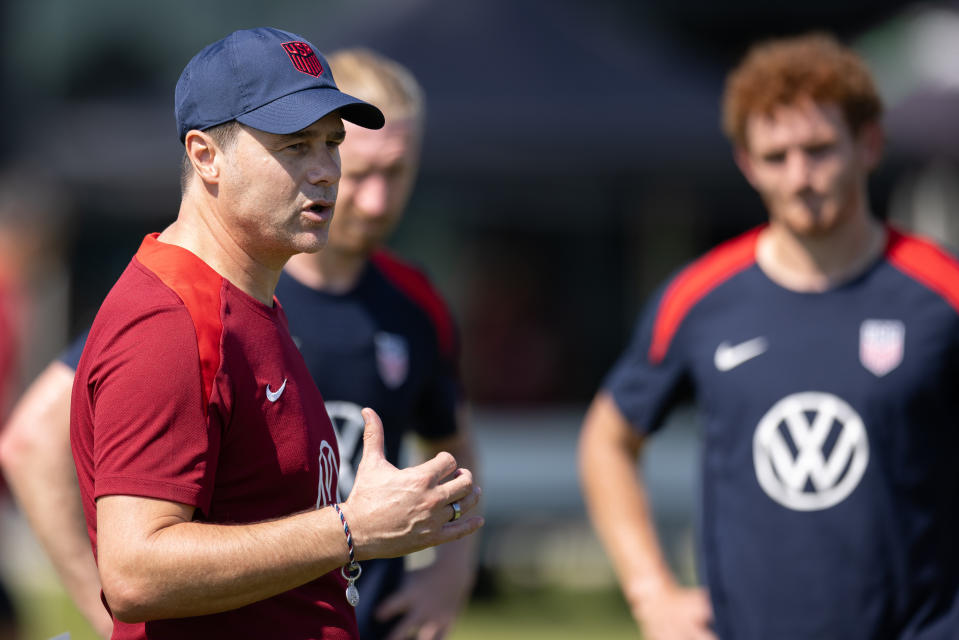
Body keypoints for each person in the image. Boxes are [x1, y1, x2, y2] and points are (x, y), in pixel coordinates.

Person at [0, 46, 479, 640]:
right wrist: (351, 528)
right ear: (206, 156)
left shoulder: (252, 299)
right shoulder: (169, 322)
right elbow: (133, 575)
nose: (329, 169)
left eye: (332, 143)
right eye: (295, 146)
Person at [578, 32, 959, 640]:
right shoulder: (699, 299)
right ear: (747, 164)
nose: (800, 177)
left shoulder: (942, 292)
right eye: (777, 157)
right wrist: (652, 593)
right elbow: (607, 438)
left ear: (870, 144)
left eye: (820, 149)